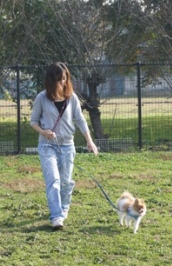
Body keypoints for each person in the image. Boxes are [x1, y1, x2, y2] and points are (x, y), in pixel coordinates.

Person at [30, 62, 98, 230]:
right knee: (53, 180)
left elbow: (80, 120)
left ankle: (64, 206)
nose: (63, 82)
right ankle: (56, 216)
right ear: (51, 80)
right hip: (47, 146)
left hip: (67, 145)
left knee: (65, 182)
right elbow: (33, 122)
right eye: (59, 79)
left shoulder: (71, 97)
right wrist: (44, 132)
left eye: (65, 78)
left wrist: (89, 141)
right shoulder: (42, 98)